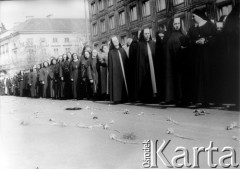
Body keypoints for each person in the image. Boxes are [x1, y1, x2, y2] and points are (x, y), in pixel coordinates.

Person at [186, 9, 217, 107]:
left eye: (193, 16)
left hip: (209, 56)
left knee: (209, 76)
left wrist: (206, 40)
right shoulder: (192, 28)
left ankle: (210, 100)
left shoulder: (210, 25)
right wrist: (195, 42)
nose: (192, 18)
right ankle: (199, 100)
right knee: (198, 77)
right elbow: (188, 40)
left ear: (199, 16)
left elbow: (216, 37)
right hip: (197, 57)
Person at [160, 17, 186, 105]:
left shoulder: (183, 34)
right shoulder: (170, 36)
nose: (177, 25)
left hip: (183, 62)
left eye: (178, 23)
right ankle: (178, 98)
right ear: (172, 25)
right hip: (174, 63)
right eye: (175, 24)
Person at [135, 28, 157, 103]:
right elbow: (139, 59)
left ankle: (154, 96)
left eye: (148, 33)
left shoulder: (153, 43)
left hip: (153, 66)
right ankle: (146, 97)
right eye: (145, 34)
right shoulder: (139, 44)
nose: (147, 35)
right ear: (143, 35)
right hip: (144, 67)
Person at [108, 36, 129, 103]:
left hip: (124, 71)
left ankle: (125, 98)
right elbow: (110, 65)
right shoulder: (111, 52)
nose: (115, 42)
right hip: (116, 72)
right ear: (112, 43)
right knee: (117, 84)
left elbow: (126, 61)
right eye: (114, 41)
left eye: (116, 40)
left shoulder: (122, 50)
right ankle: (117, 98)